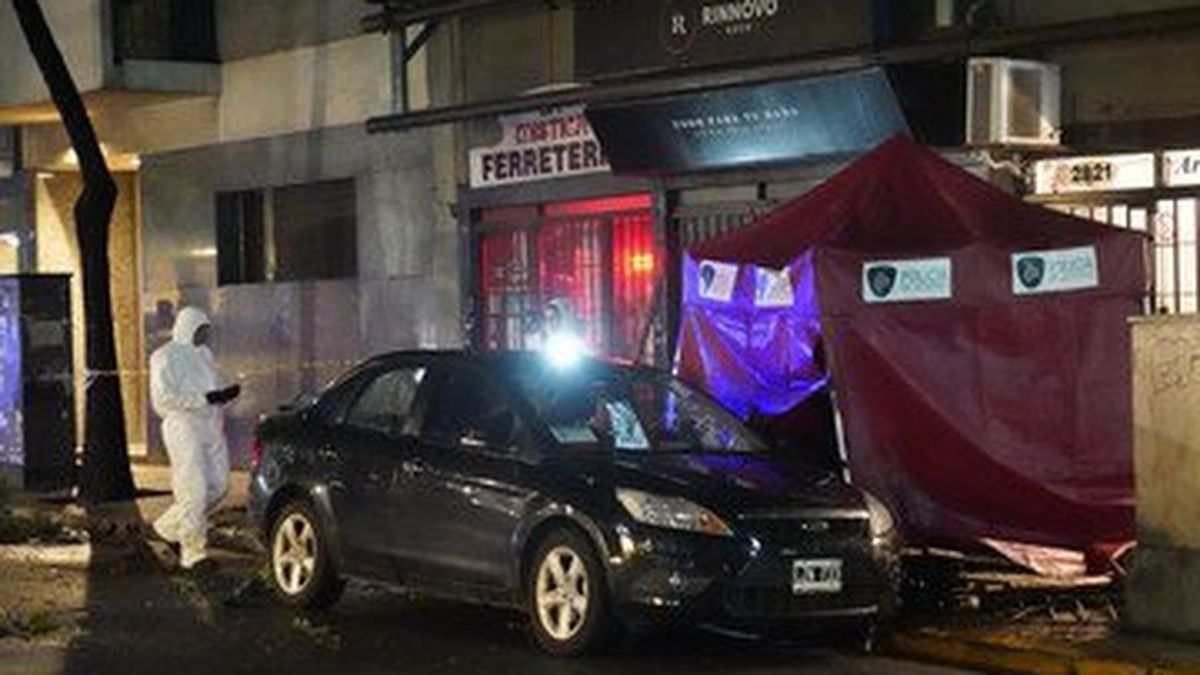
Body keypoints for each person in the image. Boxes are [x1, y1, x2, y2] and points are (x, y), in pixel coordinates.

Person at [148, 307, 240, 572]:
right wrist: (205, 399)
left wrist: (223, 395)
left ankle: (167, 527)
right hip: (183, 427)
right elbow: (163, 400)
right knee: (193, 489)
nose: (206, 335)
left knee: (219, 486)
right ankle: (193, 553)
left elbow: (211, 387)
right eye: (202, 330)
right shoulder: (164, 357)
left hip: (210, 425)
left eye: (206, 330)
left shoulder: (205, 355)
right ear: (188, 327)